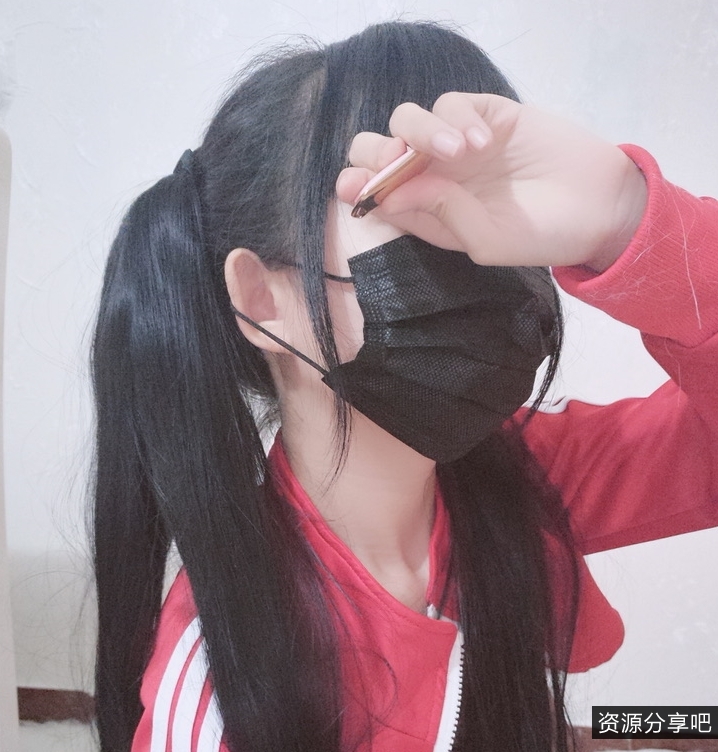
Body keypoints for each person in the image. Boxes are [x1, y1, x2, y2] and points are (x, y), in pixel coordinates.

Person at [91, 20, 718, 752]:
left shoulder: (521, 474)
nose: (473, 251)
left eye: (478, 208)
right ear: (262, 297)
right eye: (409, 213)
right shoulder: (226, 692)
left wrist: (627, 220)